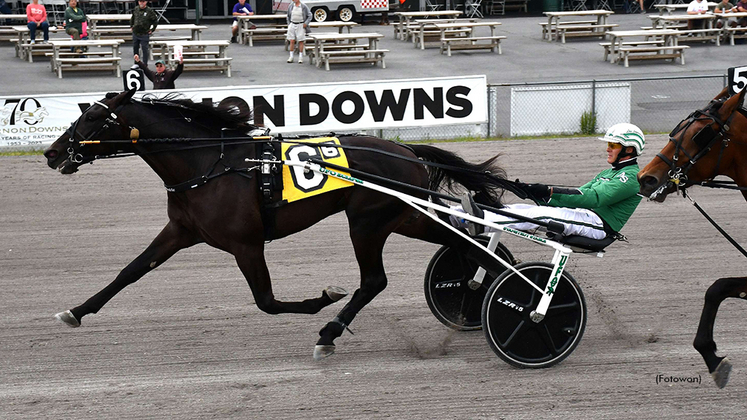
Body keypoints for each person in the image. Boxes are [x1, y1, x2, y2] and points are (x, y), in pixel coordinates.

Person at [451, 123, 645, 241]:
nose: (608, 149)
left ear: (629, 149)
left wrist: (549, 190)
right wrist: (540, 195)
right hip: (584, 217)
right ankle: (456, 213)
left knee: (536, 215)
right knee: (521, 208)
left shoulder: (631, 178)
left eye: (613, 145)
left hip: (598, 226)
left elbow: (593, 198)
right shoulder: (608, 173)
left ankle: (477, 222)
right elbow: (578, 194)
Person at [130, 0, 158, 66]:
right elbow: (133, 18)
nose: (141, 3)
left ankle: (145, 64)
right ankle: (136, 63)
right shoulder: (136, 9)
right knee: (135, 48)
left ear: (146, 2)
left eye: (143, 1)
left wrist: (152, 29)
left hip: (144, 33)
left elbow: (155, 20)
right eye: (140, 1)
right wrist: (131, 26)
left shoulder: (149, 11)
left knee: (144, 49)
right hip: (136, 32)